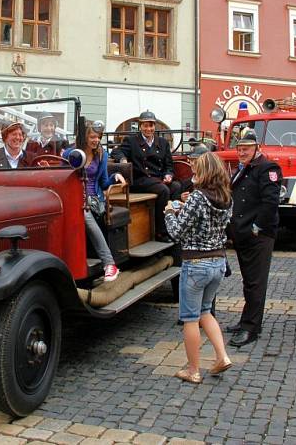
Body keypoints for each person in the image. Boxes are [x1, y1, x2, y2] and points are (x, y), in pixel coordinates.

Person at [164, 151, 233, 384]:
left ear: (204, 172)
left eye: (196, 170)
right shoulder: (226, 198)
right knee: (206, 312)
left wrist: (170, 213)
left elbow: (176, 232)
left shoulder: (197, 197)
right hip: (218, 262)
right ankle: (222, 356)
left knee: (190, 318)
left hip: (196, 264)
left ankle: (193, 370)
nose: (193, 173)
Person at [226, 128, 281, 347]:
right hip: (243, 234)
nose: (242, 152)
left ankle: (251, 327)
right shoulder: (244, 169)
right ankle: (245, 321)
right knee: (249, 281)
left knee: (256, 283)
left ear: (257, 148)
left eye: (246, 148)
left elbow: (270, 202)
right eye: (239, 148)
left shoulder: (267, 168)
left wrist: (256, 227)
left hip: (258, 235)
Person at [64, 120, 126, 282]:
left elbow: (104, 182)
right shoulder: (72, 153)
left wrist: (115, 177)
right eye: (92, 136)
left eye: (98, 137)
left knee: (83, 213)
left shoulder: (102, 154)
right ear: (85, 138)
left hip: (93, 200)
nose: (96, 140)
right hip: (72, 197)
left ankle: (109, 264)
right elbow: (61, 172)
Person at [111, 110, 181, 241]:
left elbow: (169, 165)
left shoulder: (163, 143)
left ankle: (175, 226)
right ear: (140, 126)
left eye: (151, 125)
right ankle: (161, 232)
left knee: (176, 186)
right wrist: (123, 160)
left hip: (158, 179)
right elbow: (116, 151)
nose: (148, 129)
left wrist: (168, 175)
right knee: (163, 190)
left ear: (155, 126)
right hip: (140, 179)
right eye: (145, 125)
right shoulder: (132, 141)